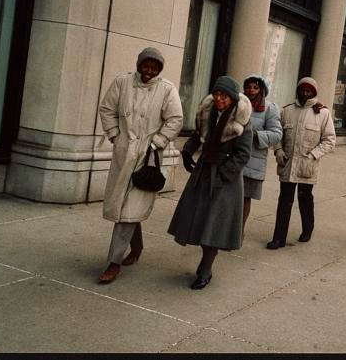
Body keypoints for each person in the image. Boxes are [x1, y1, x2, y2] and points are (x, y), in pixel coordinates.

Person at [98, 47, 183, 283]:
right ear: (139, 64)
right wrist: (115, 135)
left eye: (154, 68)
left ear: (159, 70)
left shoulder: (166, 89)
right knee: (125, 208)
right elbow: (107, 109)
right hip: (124, 152)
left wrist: (158, 141)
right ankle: (136, 249)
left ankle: (113, 262)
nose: (148, 71)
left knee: (129, 208)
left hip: (148, 155)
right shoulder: (122, 82)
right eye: (145, 65)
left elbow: (175, 119)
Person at [167, 76, 253, 289]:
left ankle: (205, 270)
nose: (219, 99)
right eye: (216, 94)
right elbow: (199, 135)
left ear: (232, 98)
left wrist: (224, 175)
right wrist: (187, 151)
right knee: (197, 219)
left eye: (224, 96)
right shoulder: (207, 113)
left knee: (213, 226)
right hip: (204, 174)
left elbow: (243, 155)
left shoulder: (242, 122)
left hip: (225, 180)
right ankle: (204, 266)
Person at [267, 77, 336, 249]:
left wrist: (313, 155)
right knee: (284, 201)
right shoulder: (287, 111)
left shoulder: (323, 113)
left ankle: (308, 228)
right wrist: (278, 150)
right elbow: (277, 134)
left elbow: (329, 140)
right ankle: (279, 238)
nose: (305, 93)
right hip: (287, 163)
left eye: (309, 91)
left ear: (314, 92)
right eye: (302, 90)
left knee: (305, 198)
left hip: (307, 165)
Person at [241, 75, 282, 236]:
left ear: (262, 90)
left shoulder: (270, 108)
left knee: (245, 198)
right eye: (248, 87)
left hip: (253, 161)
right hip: (233, 158)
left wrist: (255, 135)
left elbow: (277, 134)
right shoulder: (238, 104)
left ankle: (239, 231)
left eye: (255, 87)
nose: (251, 90)